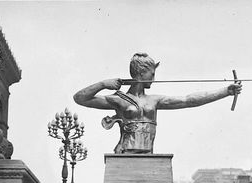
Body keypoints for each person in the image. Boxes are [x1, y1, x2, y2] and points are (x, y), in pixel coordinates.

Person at [73, 52, 242, 154]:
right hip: (125, 153)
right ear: (140, 73)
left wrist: (225, 91)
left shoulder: (154, 100)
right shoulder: (118, 100)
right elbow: (80, 98)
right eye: (151, 74)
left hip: (148, 153)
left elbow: (188, 100)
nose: (154, 79)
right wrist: (103, 84)